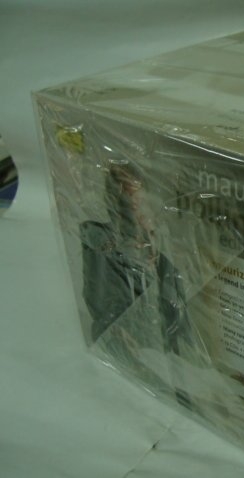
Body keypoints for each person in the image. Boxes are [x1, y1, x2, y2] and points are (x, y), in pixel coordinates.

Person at [80, 159, 205, 405]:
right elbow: (101, 308)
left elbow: (182, 325)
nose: (141, 216)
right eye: (131, 206)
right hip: (131, 368)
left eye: (142, 204)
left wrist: (208, 368)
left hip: (169, 366)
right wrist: (120, 334)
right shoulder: (103, 246)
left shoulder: (164, 263)